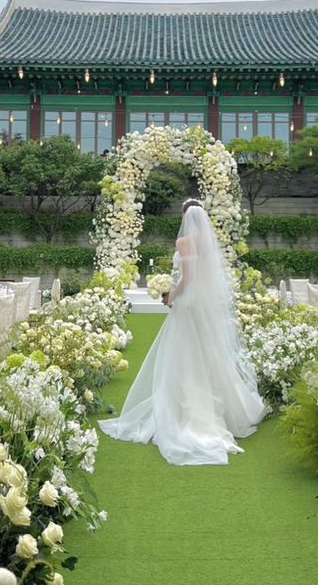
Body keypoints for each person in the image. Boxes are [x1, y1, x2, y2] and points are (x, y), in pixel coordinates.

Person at [98, 199, 268, 465]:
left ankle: (185, 412)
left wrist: (171, 294)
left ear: (185, 216)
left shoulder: (184, 242)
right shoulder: (208, 244)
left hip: (188, 304)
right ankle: (221, 410)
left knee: (184, 355)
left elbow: (187, 279)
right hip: (203, 305)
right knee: (207, 352)